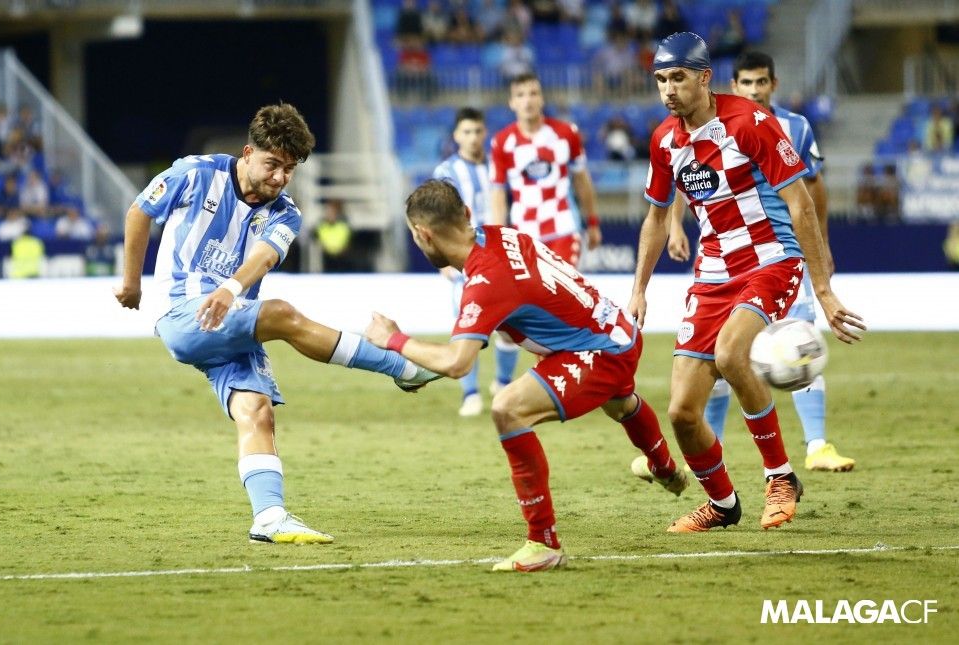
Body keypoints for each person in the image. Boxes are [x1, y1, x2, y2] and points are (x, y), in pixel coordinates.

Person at [114, 104, 439, 546]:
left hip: (232, 320)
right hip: (183, 314)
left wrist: (230, 289)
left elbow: (264, 256)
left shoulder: (286, 213)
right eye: (273, 165)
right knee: (283, 314)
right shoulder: (195, 173)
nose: (280, 178)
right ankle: (400, 366)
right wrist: (132, 283)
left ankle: (269, 516)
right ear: (248, 153)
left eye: (290, 169)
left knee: (257, 412)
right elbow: (139, 211)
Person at [365, 179, 689, 572]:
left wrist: (394, 339)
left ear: (423, 234)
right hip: (607, 329)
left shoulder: (486, 281)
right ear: (467, 215)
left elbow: (457, 363)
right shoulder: (500, 237)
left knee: (508, 409)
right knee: (620, 402)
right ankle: (666, 469)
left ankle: (544, 542)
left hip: (601, 349)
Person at [630, 33, 865, 533]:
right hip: (712, 274)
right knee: (681, 412)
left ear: (704, 76)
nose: (668, 90)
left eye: (678, 78)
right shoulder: (663, 141)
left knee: (732, 355)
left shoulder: (751, 122)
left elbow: (801, 202)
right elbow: (654, 219)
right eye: (660, 80)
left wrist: (822, 290)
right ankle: (722, 504)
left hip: (770, 261)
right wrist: (638, 289)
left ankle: (781, 478)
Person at [666, 50, 856, 473]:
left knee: (798, 342)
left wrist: (820, 249)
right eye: (746, 83)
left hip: (780, 254)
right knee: (719, 359)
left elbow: (811, 191)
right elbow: (680, 177)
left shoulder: (794, 127)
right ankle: (714, 450)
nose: (754, 90)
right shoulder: (698, 129)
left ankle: (816, 445)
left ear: (773, 84)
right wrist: (674, 225)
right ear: (733, 86)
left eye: (761, 83)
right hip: (723, 263)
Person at [434, 107, 520, 417]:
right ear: (457, 136)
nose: (472, 138)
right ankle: (470, 394)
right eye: (466, 132)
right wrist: (443, 259)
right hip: (465, 262)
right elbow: (436, 217)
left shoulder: (498, 168)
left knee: (511, 327)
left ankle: (503, 383)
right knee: (467, 327)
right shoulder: (446, 171)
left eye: (477, 131)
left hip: (499, 256)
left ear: (485, 134)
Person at [489, 72, 602, 268]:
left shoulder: (566, 134)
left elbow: (582, 181)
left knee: (561, 294)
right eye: (520, 95)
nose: (527, 100)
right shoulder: (501, 142)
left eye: (533, 93)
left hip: (564, 228)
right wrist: (498, 236)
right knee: (531, 298)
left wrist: (592, 222)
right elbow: (498, 195)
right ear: (512, 103)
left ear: (541, 99)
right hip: (523, 234)